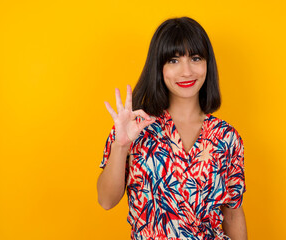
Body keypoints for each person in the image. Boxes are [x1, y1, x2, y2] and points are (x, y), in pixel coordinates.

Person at [97, 17, 247, 240]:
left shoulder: (226, 136)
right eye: (174, 61)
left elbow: (233, 215)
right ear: (159, 67)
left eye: (195, 58)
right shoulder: (136, 127)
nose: (186, 72)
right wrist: (121, 146)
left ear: (208, 64)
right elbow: (106, 201)